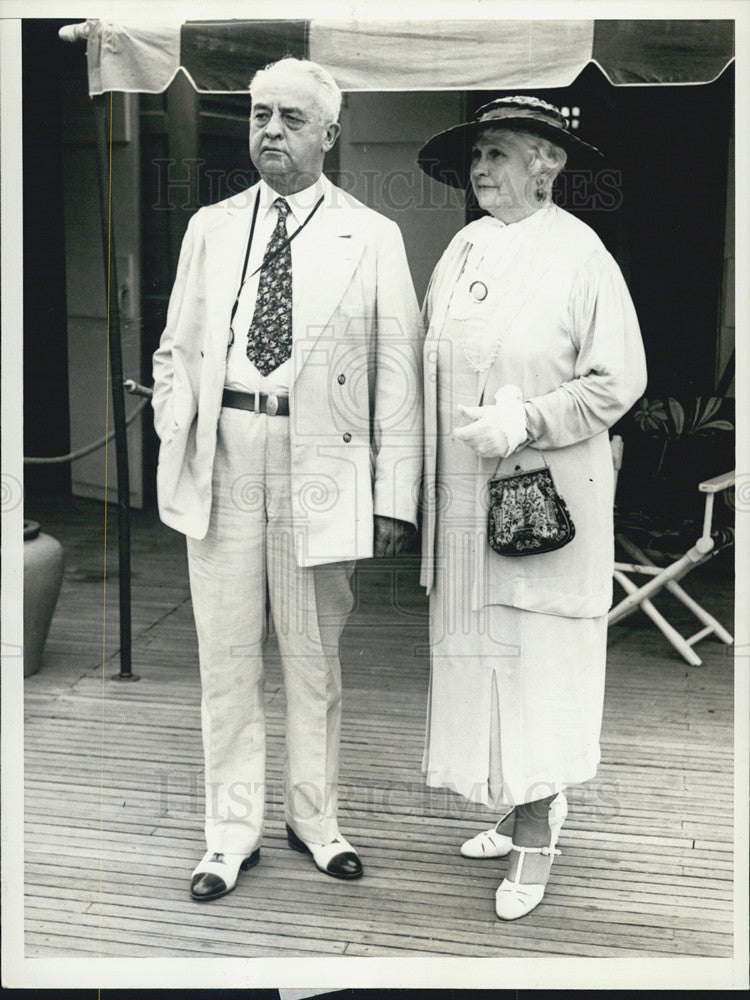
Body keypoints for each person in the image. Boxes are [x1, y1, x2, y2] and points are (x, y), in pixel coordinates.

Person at [152, 56, 422, 901]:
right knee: (227, 659)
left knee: (313, 658)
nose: (270, 130)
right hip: (225, 449)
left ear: (329, 136)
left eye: (292, 119)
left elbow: (399, 376)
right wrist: (176, 421)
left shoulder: (372, 236)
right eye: (260, 114)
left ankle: (316, 819)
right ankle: (229, 835)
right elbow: (175, 345)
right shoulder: (212, 226)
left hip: (324, 466)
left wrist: (393, 496)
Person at [417, 96, 647, 920]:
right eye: (478, 155)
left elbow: (618, 382)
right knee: (485, 663)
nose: (482, 169)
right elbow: (430, 362)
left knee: (540, 667)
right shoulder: (464, 246)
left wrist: (528, 417)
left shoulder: (582, 255)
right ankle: (522, 800)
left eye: (501, 153)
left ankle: (537, 835)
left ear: (547, 163)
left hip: (544, 504)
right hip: (467, 507)